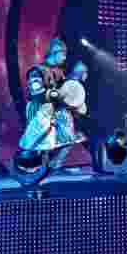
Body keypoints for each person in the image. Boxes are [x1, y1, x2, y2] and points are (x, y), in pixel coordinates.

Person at [19, 38, 87, 172]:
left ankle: (54, 165)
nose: (64, 58)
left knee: (69, 138)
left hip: (56, 109)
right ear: (54, 52)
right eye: (63, 54)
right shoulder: (37, 71)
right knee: (41, 140)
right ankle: (29, 166)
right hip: (40, 108)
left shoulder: (59, 72)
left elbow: (64, 90)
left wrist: (73, 97)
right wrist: (55, 94)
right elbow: (36, 91)